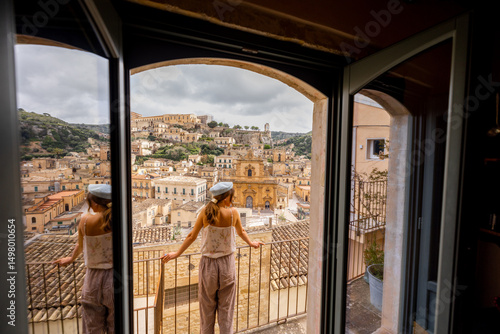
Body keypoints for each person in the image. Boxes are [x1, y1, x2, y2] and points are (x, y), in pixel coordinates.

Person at [161, 182, 264, 334]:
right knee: (226, 310)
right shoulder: (233, 213)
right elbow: (241, 231)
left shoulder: (205, 212)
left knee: (207, 309)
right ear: (226, 197)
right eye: (232, 196)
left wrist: (176, 254)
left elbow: (191, 236)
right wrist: (251, 243)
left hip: (208, 265)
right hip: (227, 265)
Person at [53, 184, 114, 334]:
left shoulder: (85, 221)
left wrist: (71, 259)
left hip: (93, 278)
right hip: (115, 278)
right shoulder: (116, 220)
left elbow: (80, 245)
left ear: (93, 203)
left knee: (92, 327)